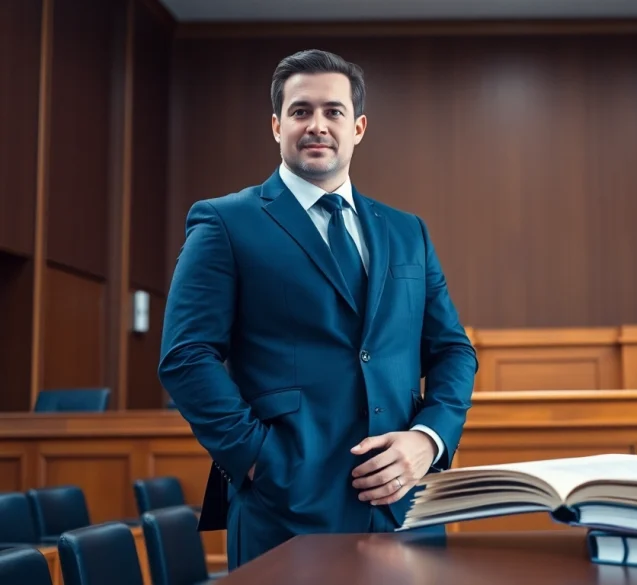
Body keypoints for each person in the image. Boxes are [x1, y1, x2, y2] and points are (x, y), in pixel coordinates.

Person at [158, 49, 478, 569]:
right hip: (285, 509)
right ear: (276, 124)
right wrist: (261, 460)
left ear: (358, 128)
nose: (317, 125)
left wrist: (429, 439)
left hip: (406, 508)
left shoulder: (407, 232)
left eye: (333, 112)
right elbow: (185, 356)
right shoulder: (224, 222)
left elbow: (452, 351)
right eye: (301, 111)